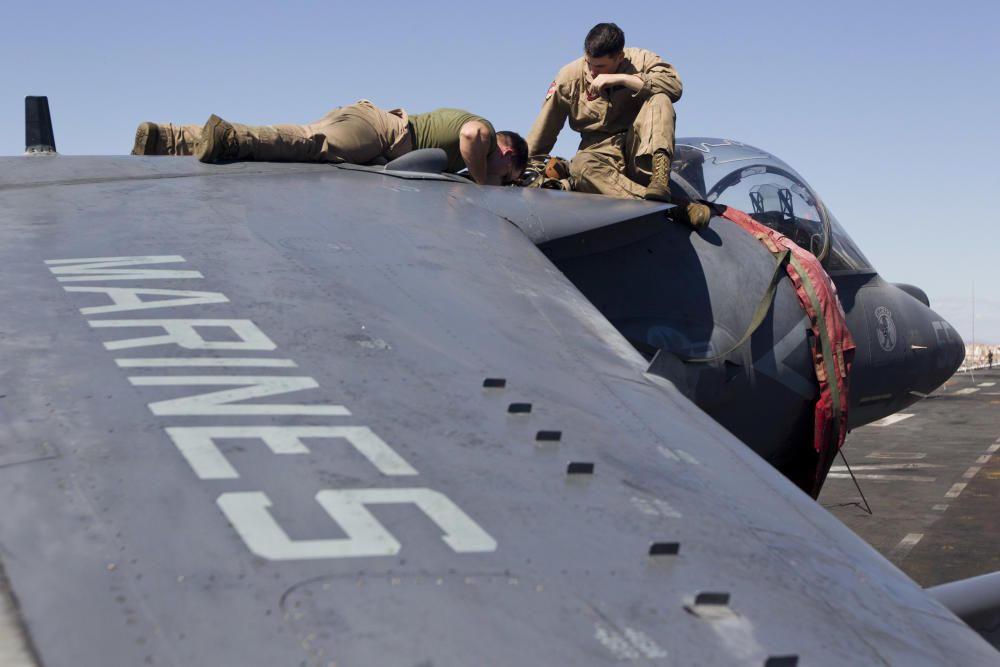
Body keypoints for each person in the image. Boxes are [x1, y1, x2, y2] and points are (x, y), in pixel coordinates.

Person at [526, 23, 710, 227]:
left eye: (601, 67)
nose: (593, 72)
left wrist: (623, 79)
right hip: (600, 156)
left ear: (620, 57)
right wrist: (521, 170)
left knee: (660, 99)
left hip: (641, 152)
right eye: (589, 63)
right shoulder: (569, 77)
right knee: (581, 165)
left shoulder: (641, 59)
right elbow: (544, 130)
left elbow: (674, 87)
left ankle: (659, 182)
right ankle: (676, 207)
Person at [132, 101, 528, 186]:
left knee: (300, 142)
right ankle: (229, 136)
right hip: (383, 131)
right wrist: (485, 183)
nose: (503, 183)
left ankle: (165, 139)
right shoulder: (486, 134)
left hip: (373, 129)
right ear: (507, 155)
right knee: (308, 144)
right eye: (508, 177)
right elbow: (470, 137)